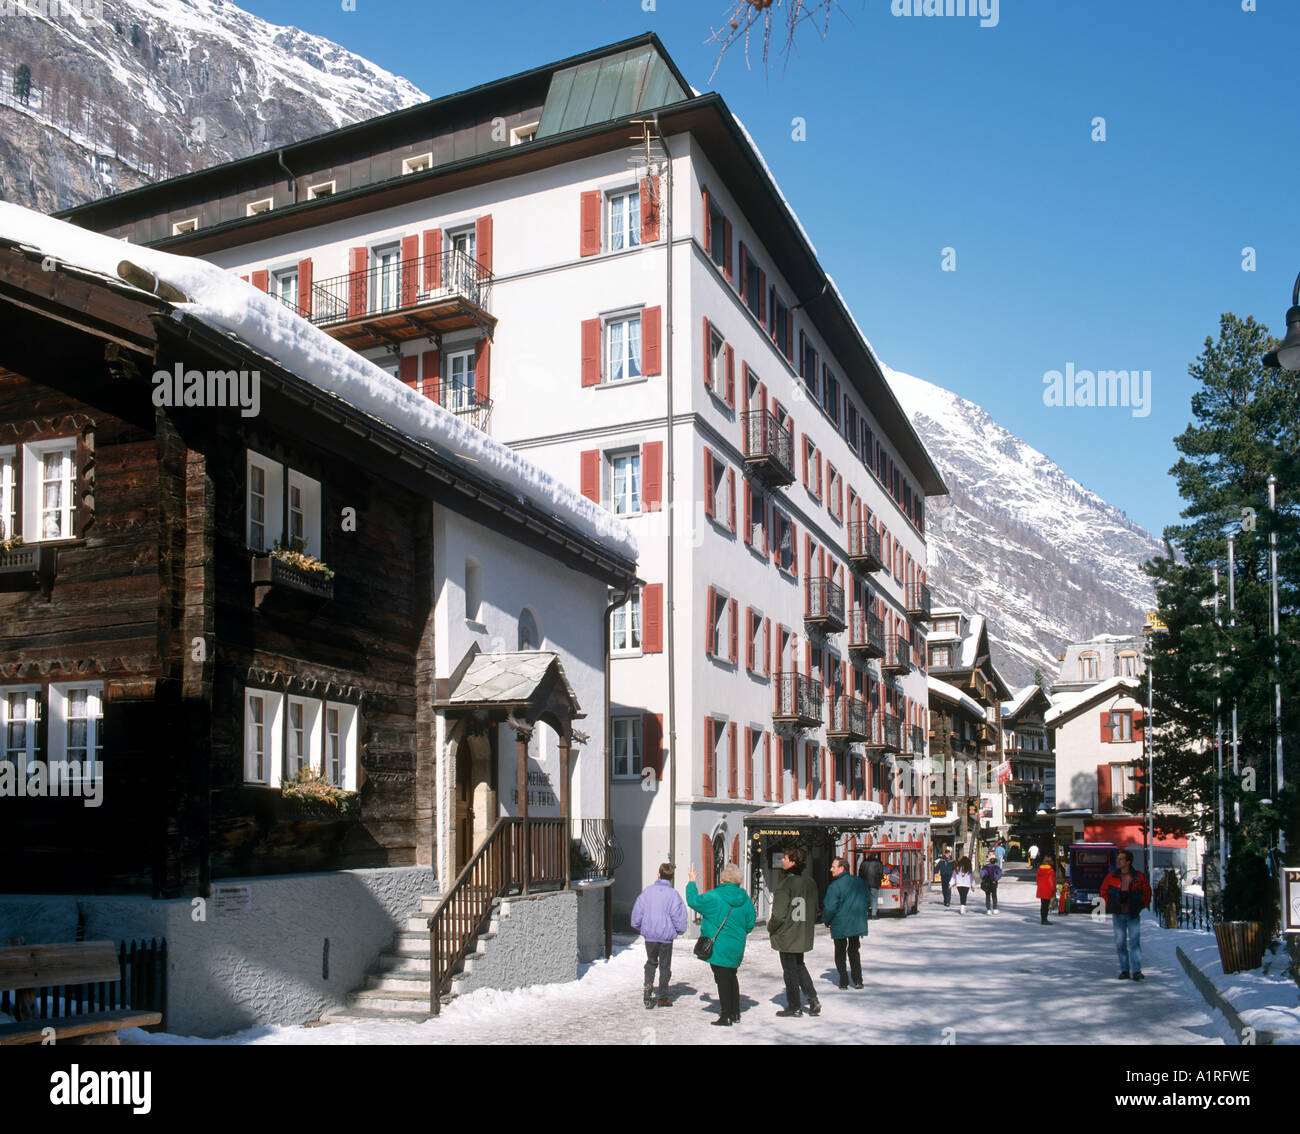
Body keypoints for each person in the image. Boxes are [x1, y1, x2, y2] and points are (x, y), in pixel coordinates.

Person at [686, 863, 757, 1026]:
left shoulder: (715, 896)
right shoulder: (745, 898)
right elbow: (750, 922)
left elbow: (693, 901)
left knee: (723, 978)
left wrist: (692, 882)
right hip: (736, 944)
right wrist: (739, 933)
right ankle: (735, 1012)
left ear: (723, 878)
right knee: (731, 975)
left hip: (718, 945)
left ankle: (726, 1016)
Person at [768, 847, 821, 1018]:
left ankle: (795, 1005)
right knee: (799, 966)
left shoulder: (785, 884)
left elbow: (778, 914)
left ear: (793, 862)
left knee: (790, 970)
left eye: (784, 858)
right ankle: (812, 999)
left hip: (787, 933)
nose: (782, 860)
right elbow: (814, 908)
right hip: (803, 931)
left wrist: (771, 927)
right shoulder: (810, 882)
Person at [630, 862, 688, 1008]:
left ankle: (648, 992)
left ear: (658, 874)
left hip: (650, 935)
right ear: (672, 878)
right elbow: (678, 915)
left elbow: (638, 912)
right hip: (666, 936)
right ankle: (662, 997)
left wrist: (640, 927)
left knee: (651, 962)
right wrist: (679, 930)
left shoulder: (647, 892)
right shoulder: (673, 895)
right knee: (665, 966)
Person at [1099, 850, 1152, 980]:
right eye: (1118, 858)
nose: (1118, 861)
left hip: (1133, 913)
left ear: (1128, 861)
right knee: (1120, 943)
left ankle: (1137, 971)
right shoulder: (1111, 876)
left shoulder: (1139, 877)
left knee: (1134, 942)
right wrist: (1109, 905)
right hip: (1118, 914)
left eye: (1121, 859)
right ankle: (1124, 970)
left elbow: (1147, 892)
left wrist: (1141, 905)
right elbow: (1104, 891)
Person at [822, 855, 869, 989]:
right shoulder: (860, 882)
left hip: (840, 923)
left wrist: (827, 920)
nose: (831, 869)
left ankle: (843, 980)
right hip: (856, 922)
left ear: (842, 868)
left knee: (840, 952)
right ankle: (858, 980)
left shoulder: (834, 886)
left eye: (833, 867)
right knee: (854, 950)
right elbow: (868, 900)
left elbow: (830, 907)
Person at [859, 851, 884, 919]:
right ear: (875, 856)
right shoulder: (878, 863)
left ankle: (865, 913)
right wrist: (879, 881)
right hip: (874, 884)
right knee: (874, 899)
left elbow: (860, 873)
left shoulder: (863, 863)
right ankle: (873, 915)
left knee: (865, 899)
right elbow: (881, 874)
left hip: (865, 884)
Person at [1036, 854, 1058, 924]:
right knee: (1046, 905)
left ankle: (1043, 919)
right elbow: (1052, 882)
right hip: (1048, 890)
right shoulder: (1050, 871)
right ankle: (1045, 919)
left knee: (1043, 905)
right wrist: (1054, 890)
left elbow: (1037, 880)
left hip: (1041, 889)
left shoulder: (1039, 869)